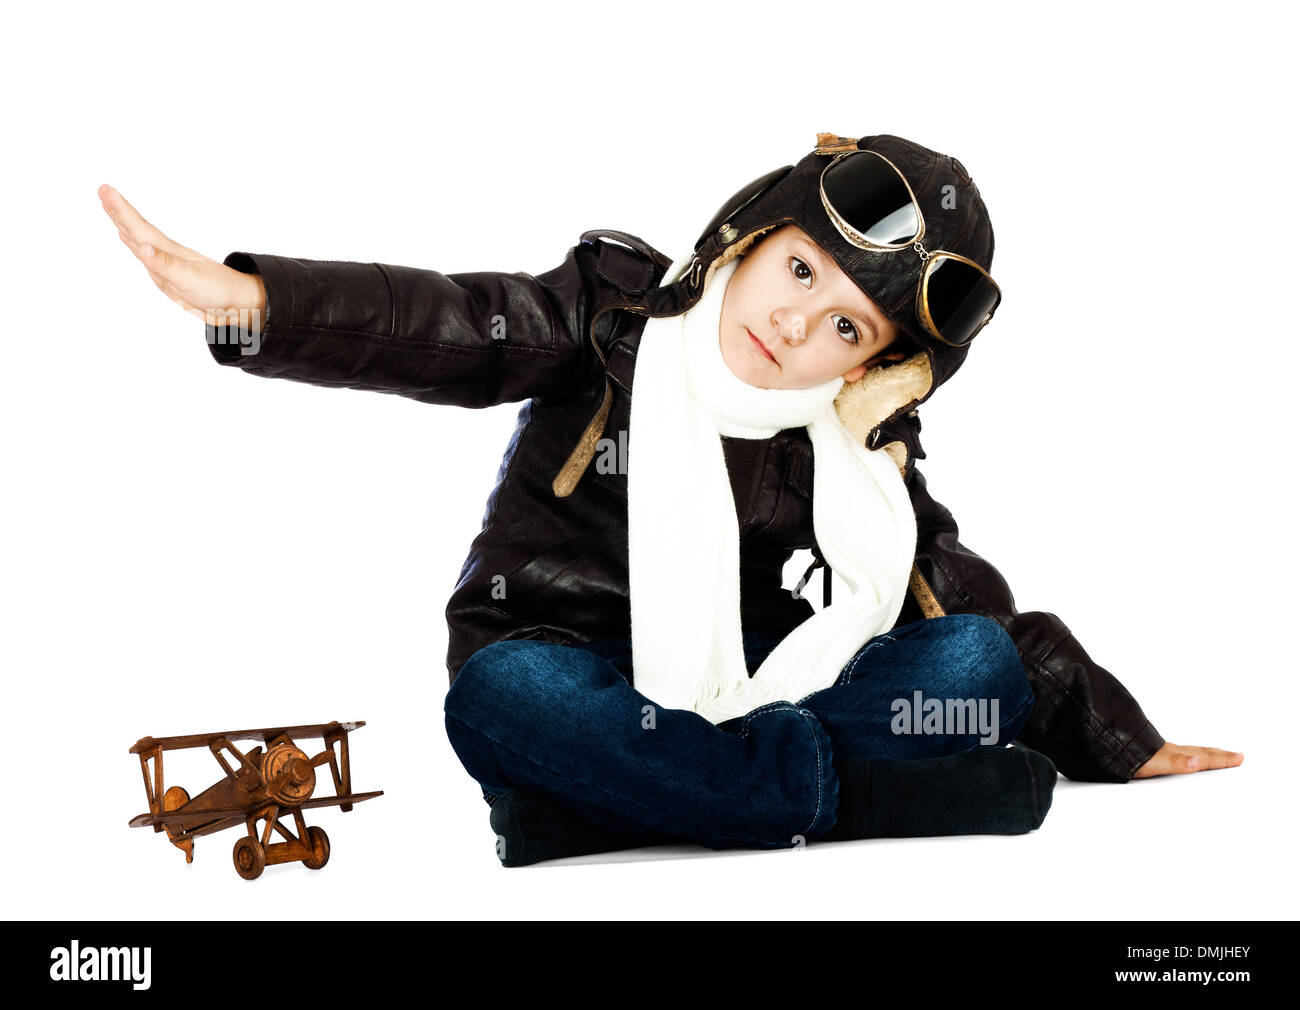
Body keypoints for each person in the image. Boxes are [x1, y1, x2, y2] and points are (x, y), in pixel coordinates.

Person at [99, 131, 1243, 868]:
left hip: (750, 689)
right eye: (800, 272)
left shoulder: (847, 440)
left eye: (847, 324)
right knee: (501, 698)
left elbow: (942, 592)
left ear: (868, 364)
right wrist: (258, 302)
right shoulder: (611, 320)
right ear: (753, 237)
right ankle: (849, 797)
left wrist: (1102, 726)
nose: (794, 324)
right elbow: (449, 324)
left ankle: (592, 811)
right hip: (576, 663)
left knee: (976, 674)